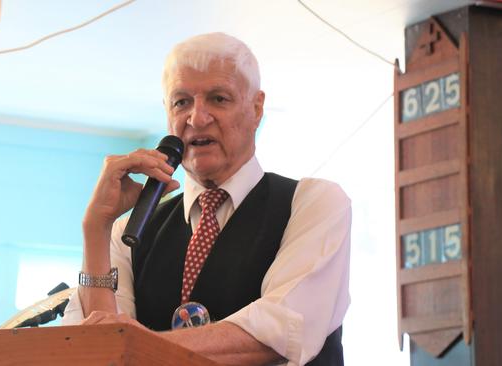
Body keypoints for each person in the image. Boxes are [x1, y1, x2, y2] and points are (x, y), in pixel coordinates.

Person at [62, 32, 351, 366]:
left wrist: (143, 345)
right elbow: (102, 351)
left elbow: (280, 329)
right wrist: (96, 228)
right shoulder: (130, 231)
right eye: (181, 102)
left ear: (256, 109)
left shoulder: (313, 203)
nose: (196, 118)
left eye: (218, 99)